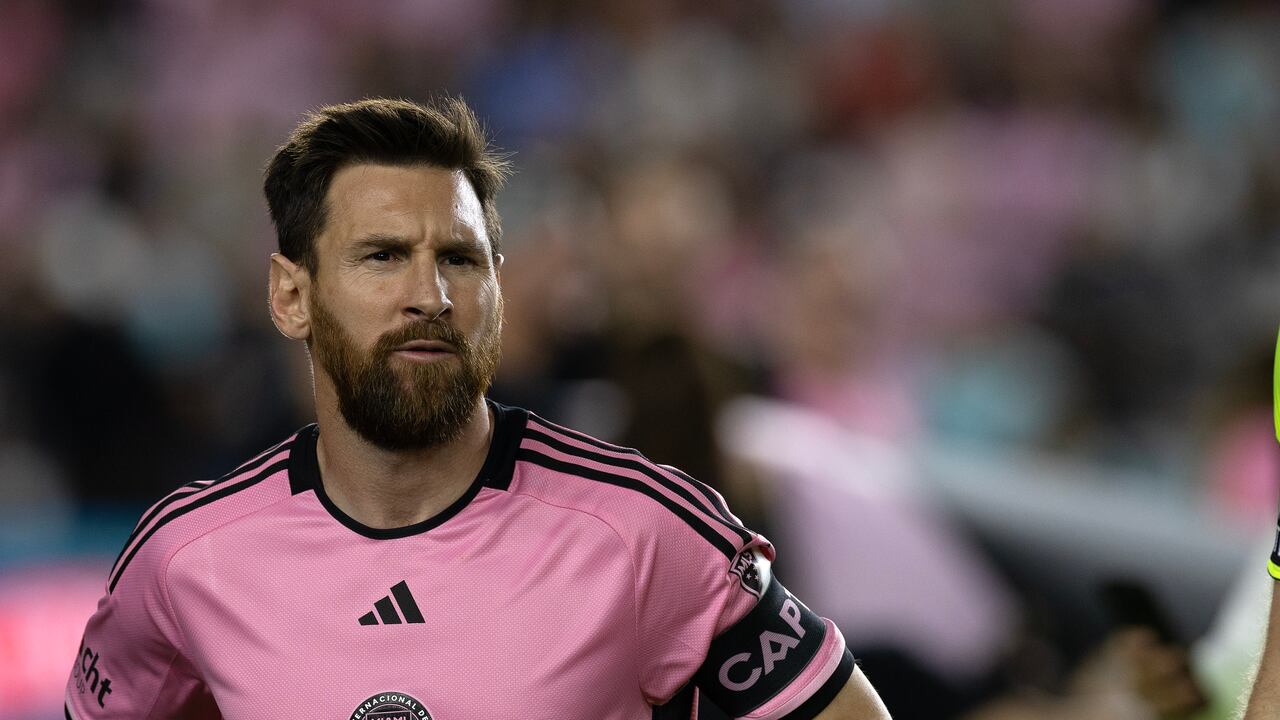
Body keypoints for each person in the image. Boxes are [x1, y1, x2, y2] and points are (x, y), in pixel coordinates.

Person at [64, 96, 892, 720]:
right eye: (383, 257)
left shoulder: (642, 528)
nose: (429, 295)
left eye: (459, 259)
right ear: (291, 296)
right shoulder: (183, 560)